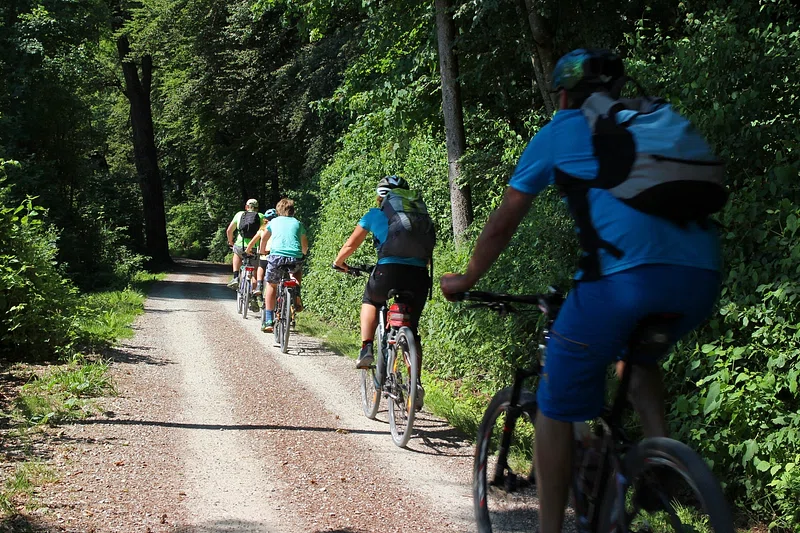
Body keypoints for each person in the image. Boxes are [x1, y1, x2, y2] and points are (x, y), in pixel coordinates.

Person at [440, 49, 722, 533]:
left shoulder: (561, 131)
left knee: (554, 406)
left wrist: (465, 279)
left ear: (564, 96)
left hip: (622, 284)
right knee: (636, 357)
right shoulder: (652, 121)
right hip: (700, 277)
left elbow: (504, 221)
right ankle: (659, 462)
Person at [332, 175, 433, 410]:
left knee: (371, 299)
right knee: (412, 329)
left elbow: (351, 245)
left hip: (387, 272)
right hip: (419, 275)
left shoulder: (375, 215)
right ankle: (415, 382)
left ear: (381, 197)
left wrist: (339, 263)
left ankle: (366, 347)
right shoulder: (420, 217)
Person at [249, 198, 308, 333]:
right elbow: (304, 243)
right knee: (297, 271)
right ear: (293, 211)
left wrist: (262, 251)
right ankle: (296, 294)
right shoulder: (298, 223)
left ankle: (269, 320)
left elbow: (264, 238)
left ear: (278, 210)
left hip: (276, 257)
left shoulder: (273, 222)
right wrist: (303, 253)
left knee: (271, 285)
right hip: (294, 257)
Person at [226, 199, 265, 289]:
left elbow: (229, 231)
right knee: (255, 272)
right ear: (257, 208)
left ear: (246, 207)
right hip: (255, 248)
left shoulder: (239, 214)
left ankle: (236, 277)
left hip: (241, 246)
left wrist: (231, 242)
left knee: (236, 253)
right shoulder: (261, 216)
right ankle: (254, 294)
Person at [247, 208, 278, 298]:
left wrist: (247, 250)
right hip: (276, 255)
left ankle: (259, 285)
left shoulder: (263, 229)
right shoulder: (279, 229)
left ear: (265, 219)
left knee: (261, 266)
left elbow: (252, 243)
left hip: (265, 255)